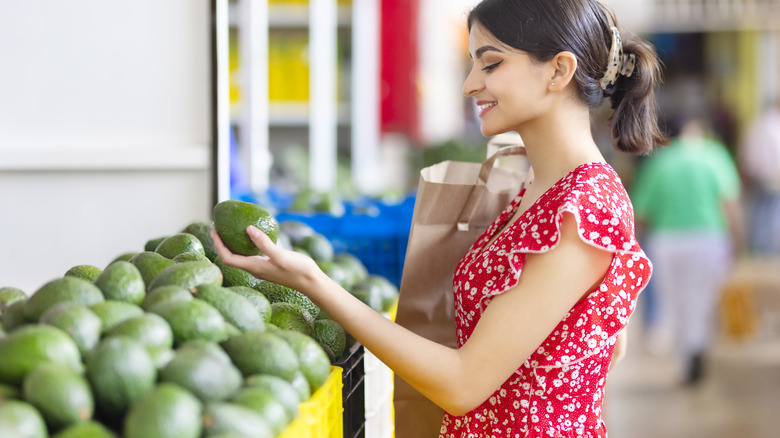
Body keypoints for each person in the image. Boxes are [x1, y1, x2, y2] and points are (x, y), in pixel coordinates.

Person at [211, 0, 665, 435]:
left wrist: (313, 282)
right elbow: (608, 345)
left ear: (559, 71)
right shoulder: (541, 188)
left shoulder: (584, 208)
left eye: (490, 64)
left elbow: (463, 385)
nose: (470, 84)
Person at [631, 114, 743, 385]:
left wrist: (632, 246)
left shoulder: (661, 161)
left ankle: (685, 360)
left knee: (675, 301)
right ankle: (697, 346)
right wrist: (738, 239)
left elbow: (642, 212)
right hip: (709, 239)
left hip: (668, 241)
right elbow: (729, 202)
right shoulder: (714, 155)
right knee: (702, 298)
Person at [738, 100, 780, 255]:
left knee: (759, 215)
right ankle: (768, 250)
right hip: (772, 179)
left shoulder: (756, 125)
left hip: (756, 177)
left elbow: (747, 154)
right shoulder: (775, 126)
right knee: (771, 216)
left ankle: (759, 249)